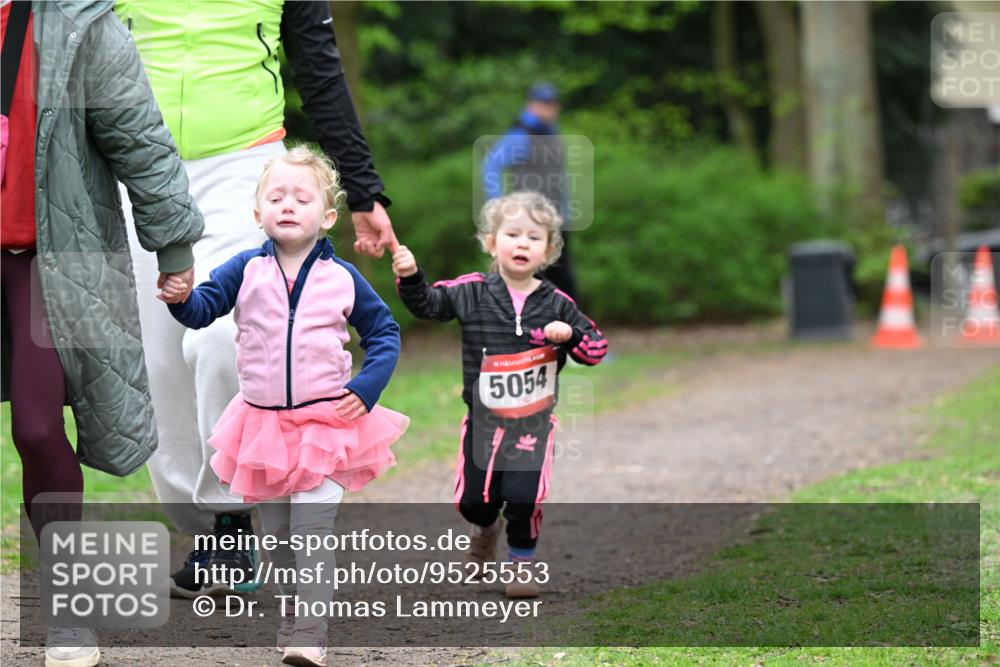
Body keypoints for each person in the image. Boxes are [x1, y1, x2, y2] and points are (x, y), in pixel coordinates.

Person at [112, 0, 399, 597]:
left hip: (243, 166)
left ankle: (229, 517)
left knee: (221, 334)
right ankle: (202, 529)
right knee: (157, 364)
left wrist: (364, 189)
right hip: (133, 160)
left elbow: (320, 71)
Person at [0, 1, 204, 665]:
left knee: (36, 427)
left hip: (48, 259)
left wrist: (173, 242)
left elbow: (139, 136)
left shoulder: (81, 23)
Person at [163, 147, 407, 667]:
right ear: (258, 214)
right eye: (276, 197)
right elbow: (203, 310)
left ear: (328, 215)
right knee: (276, 536)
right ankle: (293, 615)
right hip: (263, 427)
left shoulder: (342, 277)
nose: (288, 206)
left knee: (311, 529)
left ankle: (310, 635)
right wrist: (182, 297)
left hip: (325, 424)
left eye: (302, 197)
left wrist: (365, 389)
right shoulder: (245, 269)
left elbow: (384, 332)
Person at [392, 191, 606, 600]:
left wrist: (572, 336)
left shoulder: (557, 304)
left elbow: (597, 348)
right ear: (492, 242)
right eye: (512, 234)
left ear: (548, 252)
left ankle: (521, 565)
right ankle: (486, 530)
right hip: (483, 420)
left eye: (534, 237)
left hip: (533, 421)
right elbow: (428, 304)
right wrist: (411, 275)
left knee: (524, 496)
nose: (522, 243)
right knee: (476, 502)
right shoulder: (472, 291)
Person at [482, 83, 578, 301]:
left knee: (561, 279)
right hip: (530, 220)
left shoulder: (552, 133)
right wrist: (499, 205)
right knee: (534, 277)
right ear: (531, 105)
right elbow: (491, 166)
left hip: (557, 219)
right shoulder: (520, 135)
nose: (549, 109)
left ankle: (569, 328)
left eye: (552, 104)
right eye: (544, 104)